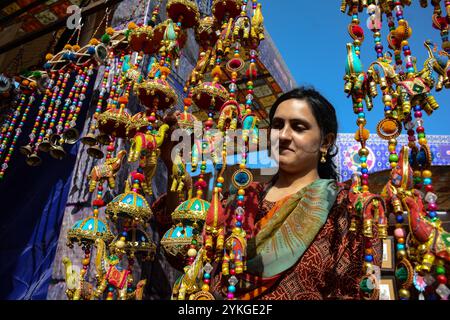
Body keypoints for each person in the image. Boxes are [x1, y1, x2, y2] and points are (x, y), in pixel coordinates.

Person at [153, 87, 382, 300]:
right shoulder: (241, 201)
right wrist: (174, 166)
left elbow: (359, 289)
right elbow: (186, 255)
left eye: (299, 127)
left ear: (326, 142)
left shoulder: (347, 210)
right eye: (277, 125)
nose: (283, 136)